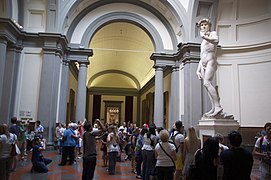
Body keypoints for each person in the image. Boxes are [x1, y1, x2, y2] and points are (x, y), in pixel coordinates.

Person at [196, 18, 222, 117]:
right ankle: (214, 107)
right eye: (201, 25)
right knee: (207, 86)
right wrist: (198, 70)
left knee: (207, 83)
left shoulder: (212, 33)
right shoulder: (203, 41)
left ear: (209, 25)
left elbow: (216, 40)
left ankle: (218, 106)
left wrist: (205, 37)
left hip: (211, 61)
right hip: (203, 64)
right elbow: (202, 56)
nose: (203, 26)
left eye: (205, 25)